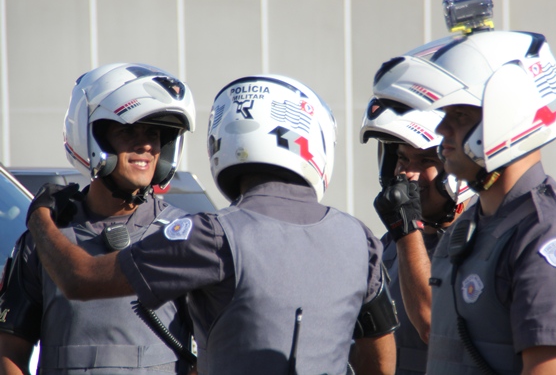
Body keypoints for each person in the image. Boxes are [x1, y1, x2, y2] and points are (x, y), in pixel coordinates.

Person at [24, 74, 399, 375]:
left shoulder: (213, 234)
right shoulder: (360, 239)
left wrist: (40, 214)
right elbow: (381, 358)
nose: (147, 147)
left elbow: (80, 279)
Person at [376, 22, 556, 374]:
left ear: (508, 119)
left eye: (459, 115)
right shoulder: (469, 231)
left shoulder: (551, 234)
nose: (442, 129)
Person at [0, 63, 198, 374]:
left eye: (154, 133)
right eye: (128, 130)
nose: (146, 145)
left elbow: (213, 354)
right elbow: (9, 352)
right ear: (93, 136)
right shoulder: (45, 240)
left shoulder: (185, 237)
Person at [359, 96, 473, 374]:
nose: (407, 173)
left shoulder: (479, 242)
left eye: (425, 160)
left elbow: (434, 326)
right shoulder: (387, 247)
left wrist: (407, 232)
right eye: (402, 158)